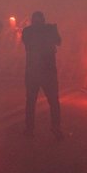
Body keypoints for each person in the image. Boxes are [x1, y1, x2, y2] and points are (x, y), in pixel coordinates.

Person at [21, 11, 64, 140]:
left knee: (44, 102)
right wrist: (50, 30)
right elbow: (57, 42)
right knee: (37, 102)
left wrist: (52, 30)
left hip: (42, 71)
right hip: (39, 71)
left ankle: (51, 128)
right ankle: (34, 129)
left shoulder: (30, 31)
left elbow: (58, 41)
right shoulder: (32, 31)